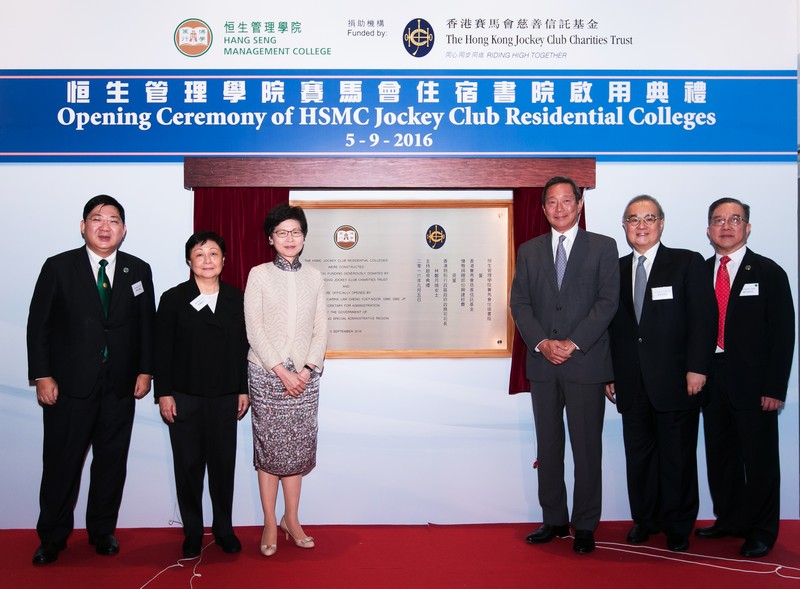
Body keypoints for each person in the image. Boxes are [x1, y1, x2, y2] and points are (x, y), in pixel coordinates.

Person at [26, 194, 155, 565]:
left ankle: (102, 531)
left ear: (123, 230)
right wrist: (42, 375)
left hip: (119, 386)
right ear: (83, 226)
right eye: (97, 219)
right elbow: (39, 326)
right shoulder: (58, 267)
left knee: (111, 462)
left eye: (113, 220)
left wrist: (146, 370)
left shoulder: (138, 270)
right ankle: (52, 536)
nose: (105, 226)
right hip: (68, 386)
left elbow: (147, 325)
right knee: (62, 462)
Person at [509, 176, 619, 554]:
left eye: (566, 200)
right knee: (550, 444)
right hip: (544, 364)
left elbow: (607, 303)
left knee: (587, 447)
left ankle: (585, 524)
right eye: (551, 202)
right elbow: (520, 303)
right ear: (542, 209)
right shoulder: (529, 250)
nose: (559, 208)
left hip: (585, 363)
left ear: (579, 204)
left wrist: (572, 343)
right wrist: (542, 343)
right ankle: (554, 519)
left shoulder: (603, 247)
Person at [604, 195, 716, 552]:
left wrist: (698, 368)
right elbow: (611, 328)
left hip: (677, 381)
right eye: (633, 219)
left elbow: (704, 319)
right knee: (639, 459)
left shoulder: (686, 262)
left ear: (662, 223)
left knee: (677, 458)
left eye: (649, 218)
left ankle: (678, 525)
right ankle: (645, 520)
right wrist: (610, 372)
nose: (641, 225)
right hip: (631, 383)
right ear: (624, 227)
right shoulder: (616, 269)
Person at [695, 197, 795, 558]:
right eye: (718, 220)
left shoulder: (769, 272)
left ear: (747, 227)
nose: (726, 226)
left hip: (755, 386)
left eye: (734, 219)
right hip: (711, 379)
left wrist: (774, 387)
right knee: (720, 456)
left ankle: (763, 529)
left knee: (760, 459)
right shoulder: (699, 273)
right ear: (708, 230)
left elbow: (784, 335)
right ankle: (731, 520)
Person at [154, 231, 250, 559]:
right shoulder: (172, 298)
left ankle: (224, 528)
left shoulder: (238, 298)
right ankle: (192, 532)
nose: (207, 261)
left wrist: (243, 389)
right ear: (188, 261)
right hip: (184, 397)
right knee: (188, 467)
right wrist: (163, 393)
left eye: (213, 254)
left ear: (224, 260)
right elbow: (161, 351)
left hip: (225, 397)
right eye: (200, 254)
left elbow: (243, 350)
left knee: (223, 467)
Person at [244, 203, 328, 557]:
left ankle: (291, 519)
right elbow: (254, 328)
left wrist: (307, 370)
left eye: (295, 232)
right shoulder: (259, 274)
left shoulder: (315, 276)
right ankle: (268, 520)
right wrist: (281, 370)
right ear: (270, 238)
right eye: (282, 233)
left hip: (305, 380)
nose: (289, 238)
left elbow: (322, 328)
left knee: (296, 452)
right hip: (267, 376)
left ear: (304, 237)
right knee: (270, 451)